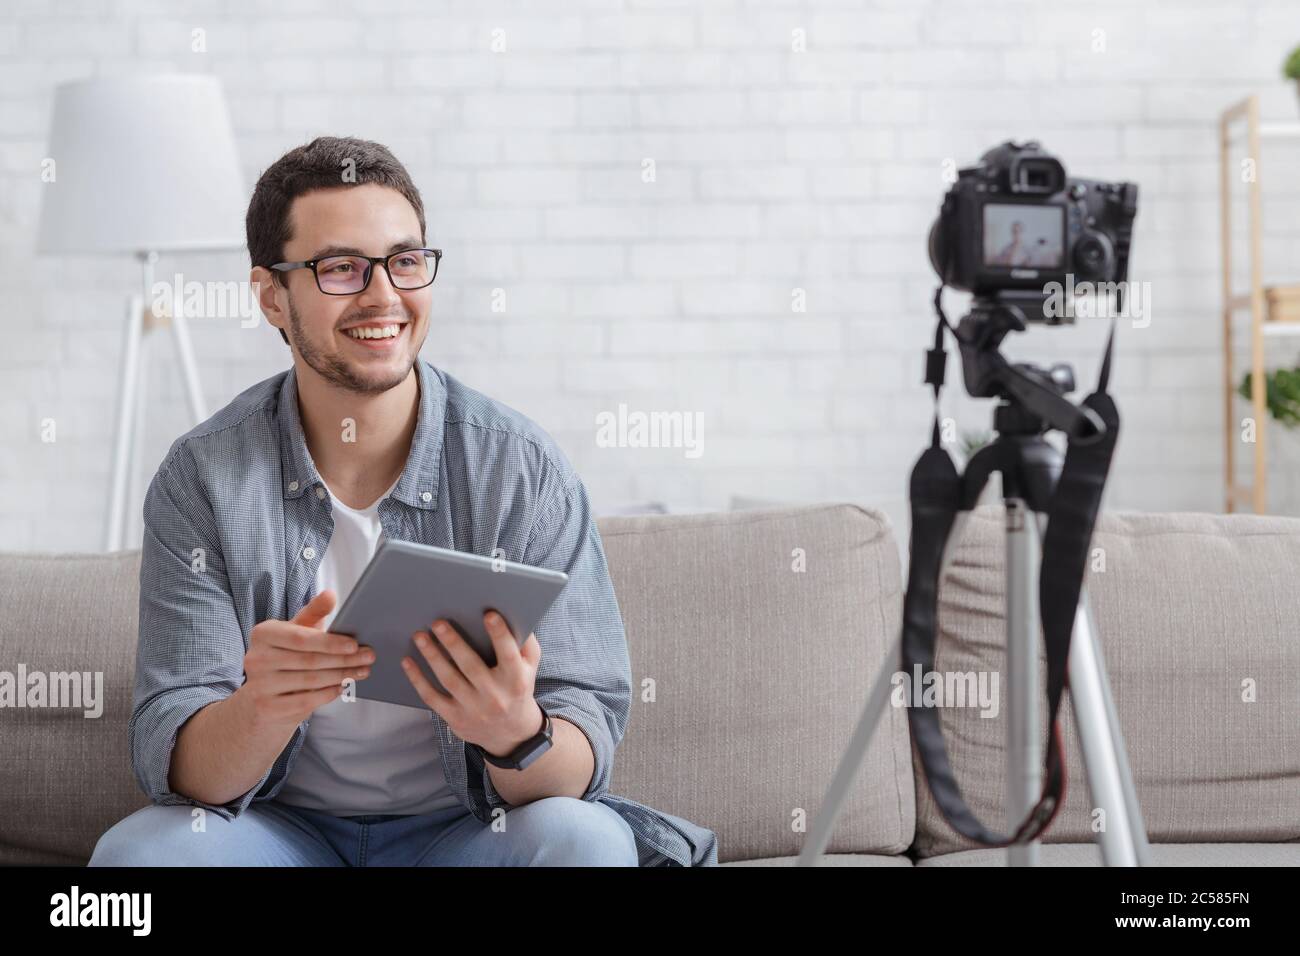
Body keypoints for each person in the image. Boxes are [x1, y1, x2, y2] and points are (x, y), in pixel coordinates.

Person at [88, 136, 717, 867]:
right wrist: (259, 708)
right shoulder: (202, 477)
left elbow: (583, 750)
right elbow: (179, 767)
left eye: (406, 261)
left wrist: (516, 731)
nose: (384, 295)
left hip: (470, 832)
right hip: (279, 835)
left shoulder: (521, 469)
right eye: (341, 269)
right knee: (140, 859)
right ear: (271, 297)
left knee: (585, 842)